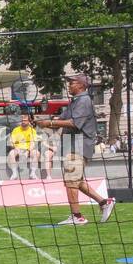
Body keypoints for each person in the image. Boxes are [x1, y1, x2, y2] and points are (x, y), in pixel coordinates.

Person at [35, 73, 115, 225]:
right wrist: (42, 121)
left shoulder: (83, 101)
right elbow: (60, 120)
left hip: (78, 144)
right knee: (76, 180)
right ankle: (104, 202)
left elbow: (74, 123)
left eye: (72, 83)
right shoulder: (75, 101)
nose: (69, 85)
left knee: (71, 180)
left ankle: (77, 216)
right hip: (71, 144)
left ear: (81, 85)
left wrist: (49, 124)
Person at [7, 113, 38, 180]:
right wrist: (15, 148)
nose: (23, 122)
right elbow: (11, 141)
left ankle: (33, 173)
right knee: (11, 153)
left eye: (25, 120)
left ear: (29, 121)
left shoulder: (32, 131)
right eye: (22, 120)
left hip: (28, 149)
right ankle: (14, 174)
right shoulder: (16, 130)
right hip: (18, 149)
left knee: (36, 153)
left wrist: (28, 151)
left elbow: (33, 143)